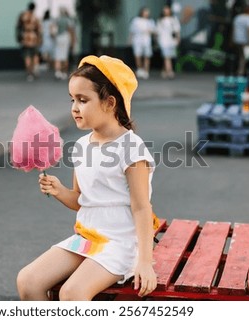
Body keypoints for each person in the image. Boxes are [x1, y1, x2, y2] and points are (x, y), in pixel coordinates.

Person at [17, 55, 158, 300]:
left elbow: (142, 209)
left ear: (110, 103)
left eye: (83, 100)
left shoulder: (131, 148)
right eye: (72, 99)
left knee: (72, 293)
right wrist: (59, 190)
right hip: (86, 239)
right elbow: (81, 200)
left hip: (119, 244)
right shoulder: (82, 146)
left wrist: (145, 263)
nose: (74, 107)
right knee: (28, 281)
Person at [16, 2, 42, 82]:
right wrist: (40, 39)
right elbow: (39, 29)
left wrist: (19, 37)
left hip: (25, 37)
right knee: (34, 55)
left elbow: (18, 26)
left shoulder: (23, 15)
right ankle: (35, 69)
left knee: (27, 56)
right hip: (33, 37)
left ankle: (29, 73)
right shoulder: (35, 17)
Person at [129, 7, 155, 79]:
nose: (147, 13)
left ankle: (146, 71)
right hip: (137, 40)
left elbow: (154, 31)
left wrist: (150, 31)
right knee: (138, 55)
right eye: (145, 11)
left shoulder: (150, 21)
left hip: (147, 41)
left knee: (147, 56)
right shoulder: (136, 20)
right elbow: (132, 31)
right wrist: (130, 40)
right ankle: (140, 69)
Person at [156, 5, 181, 79]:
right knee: (167, 56)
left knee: (168, 56)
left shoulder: (173, 19)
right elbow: (158, 31)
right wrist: (157, 40)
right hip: (163, 41)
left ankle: (164, 71)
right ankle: (170, 71)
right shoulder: (160, 20)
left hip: (171, 41)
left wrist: (178, 39)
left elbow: (177, 30)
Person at [52, 7, 75, 80]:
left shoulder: (57, 20)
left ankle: (58, 72)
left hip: (58, 38)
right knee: (64, 56)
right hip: (65, 38)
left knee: (58, 56)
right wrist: (72, 41)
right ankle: (64, 72)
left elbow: (53, 30)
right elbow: (70, 31)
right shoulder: (68, 20)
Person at [232, 6, 249, 76]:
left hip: (236, 39)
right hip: (245, 40)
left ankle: (237, 70)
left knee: (239, 56)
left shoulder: (237, 17)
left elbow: (233, 29)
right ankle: (241, 72)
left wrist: (232, 40)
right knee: (244, 57)